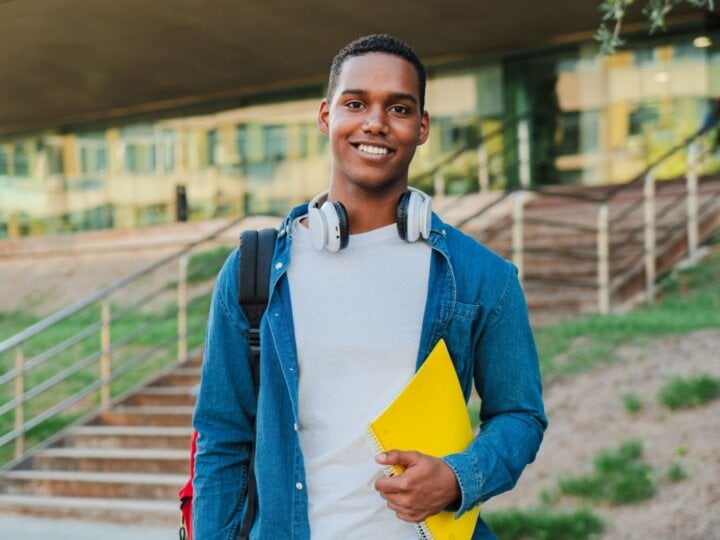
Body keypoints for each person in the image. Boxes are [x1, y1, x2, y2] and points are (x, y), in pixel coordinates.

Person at [192, 34, 547, 539]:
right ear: (325, 117)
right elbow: (222, 437)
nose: (375, 122)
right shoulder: (254, 271)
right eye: (355, 103)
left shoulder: (483, 277)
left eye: (398, 108)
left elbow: (520, 416)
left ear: (421, 127)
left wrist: (456, 478)